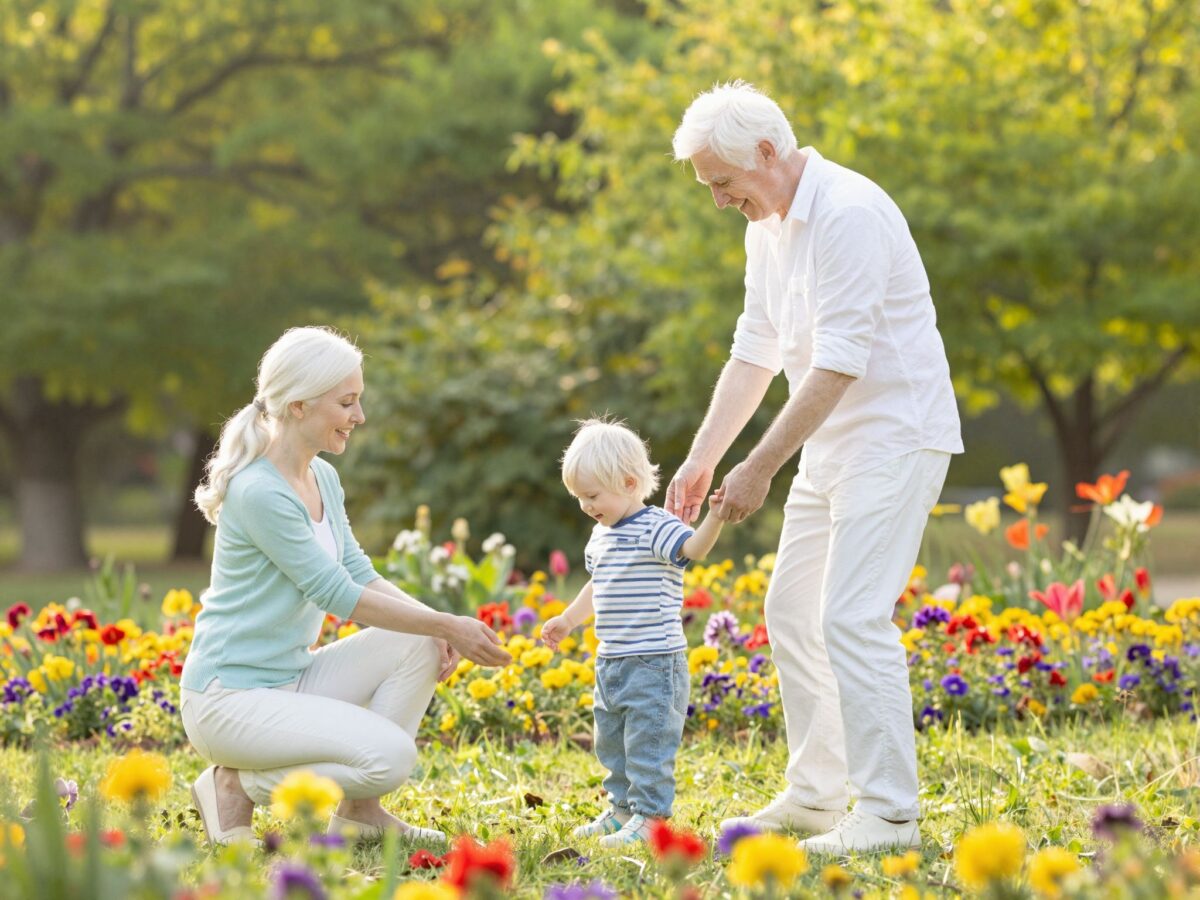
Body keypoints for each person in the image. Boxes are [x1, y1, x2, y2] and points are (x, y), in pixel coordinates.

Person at [667, 82, 963, 853]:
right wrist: (705, 458)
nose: (718, 200)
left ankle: (890, 813)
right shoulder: (765, 227)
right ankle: (816, 792)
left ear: (766, 153)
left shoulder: (850, 213)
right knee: (791, 611)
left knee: (851, 617)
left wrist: (760, 466)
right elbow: (753, 350)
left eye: (721, 183)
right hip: (831, 441)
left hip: (896, 437)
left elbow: (837, 365)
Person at [180, 326, 511, 847]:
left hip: (290, 679)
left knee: (417, 639)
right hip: (228, 699)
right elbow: (335, 594)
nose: (359, 416)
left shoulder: (321, 479)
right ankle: (234, 783)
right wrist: (448, 622)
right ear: (298, 406)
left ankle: (361, 814)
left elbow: (357, 570)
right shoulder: (258, 492)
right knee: (391, 759)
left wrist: (436, 629)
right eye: (347, 402)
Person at [541, 418, 727, 847]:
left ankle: (651, 819)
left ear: (628, 483)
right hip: (612, 660)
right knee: (613, 742)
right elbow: (597, 584)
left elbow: (693, 550)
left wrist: (715, 517)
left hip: (654, 661)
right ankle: (621, 810)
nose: (586, 506)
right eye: (579, 498)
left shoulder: (656, 526)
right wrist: (568, 620)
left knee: (648, 743)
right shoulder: (600, 535)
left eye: (592, 495)